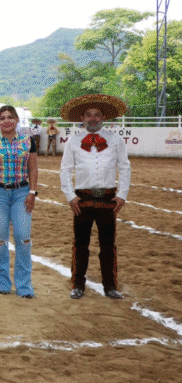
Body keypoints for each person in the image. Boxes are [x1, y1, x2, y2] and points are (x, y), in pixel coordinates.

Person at [59, 94, 130, 300]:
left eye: (96, 115)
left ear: (103, 117)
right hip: (81, 201)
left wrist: (122, 194)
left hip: (108, 199)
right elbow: (65, 170)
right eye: (88, 115)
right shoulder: (73, 141)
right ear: (82, 117)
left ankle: (110, 286)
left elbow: (124, 167)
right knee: (80, 244)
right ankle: (78, 284)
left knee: (108, 244)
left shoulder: (115, 140)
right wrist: (70, 196)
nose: (92, 118)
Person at [0, 105, 38, 298]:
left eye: (10, 117)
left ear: (16, 120)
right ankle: (2, 284)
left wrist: (32, 192)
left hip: (22, 193)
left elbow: (33, 169)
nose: (6, 121)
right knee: (0, 240)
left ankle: (24, 286)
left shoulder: (28, 140)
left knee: (23, 238)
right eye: (2, 118)